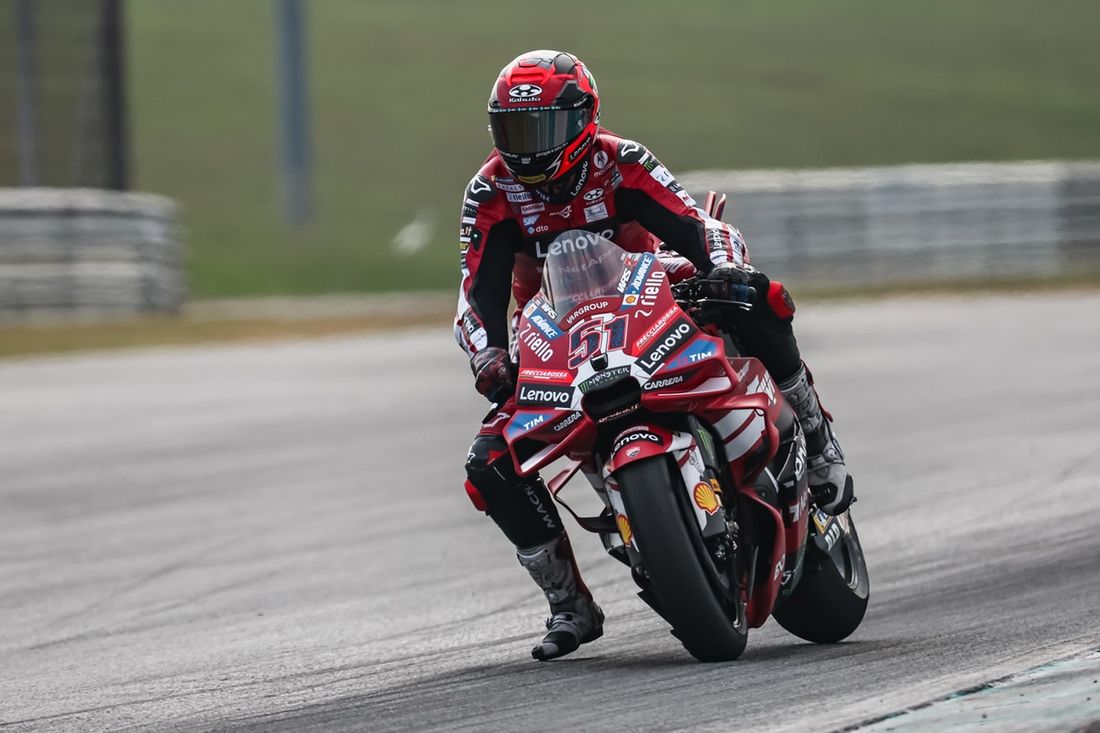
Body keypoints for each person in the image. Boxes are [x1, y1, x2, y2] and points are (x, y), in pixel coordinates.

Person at [455, 50, 853, 661]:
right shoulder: (490, 191)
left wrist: (726, 267)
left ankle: (820, 444)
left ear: (582, 119)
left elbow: (695, 224)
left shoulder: (621, 160)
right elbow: (476, 295)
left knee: (760, 299)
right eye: (513, 131)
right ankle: (569, 603)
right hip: (559, 332)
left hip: (651, 292)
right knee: (488, 464)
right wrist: (489, 358)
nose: (526, 149)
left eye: (540, 130)